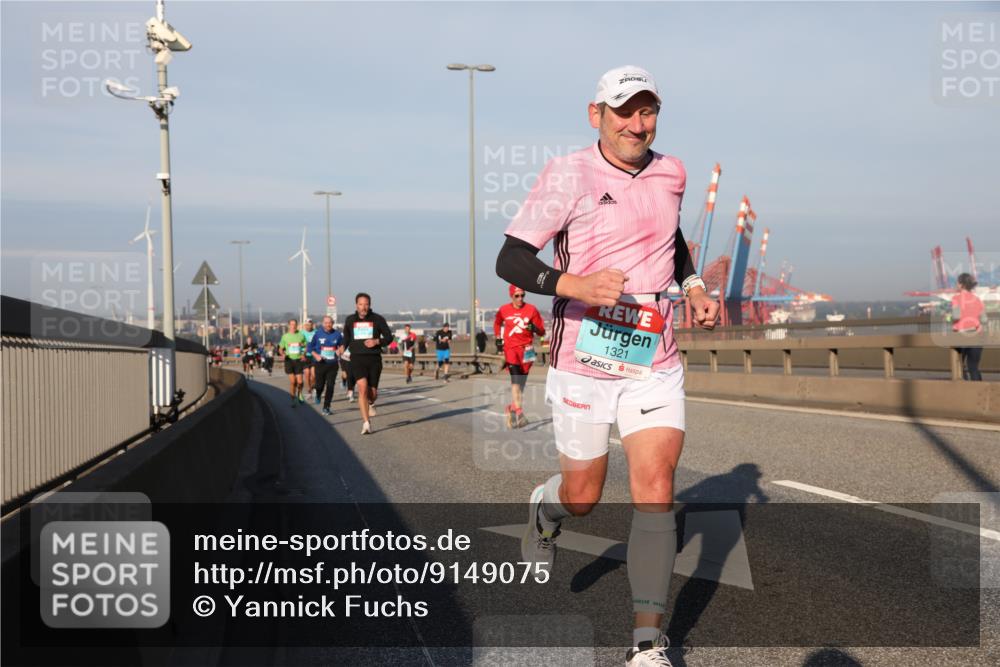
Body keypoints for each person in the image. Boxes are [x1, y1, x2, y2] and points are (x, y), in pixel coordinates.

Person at [495, 65, 720, 666]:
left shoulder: (671, 172)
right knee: (584, 495)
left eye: (648, 111)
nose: (637, 124)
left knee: (655, 491)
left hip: (654, 357)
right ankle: (546, 509)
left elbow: (671, 243)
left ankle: (647, 645)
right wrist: (576, 284)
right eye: (625, 111)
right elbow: (511, 259)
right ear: (596, 114)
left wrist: (694, 285)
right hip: (582, 358)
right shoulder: (568, 173)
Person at [495, 285, 547, 429]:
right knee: (516, 380)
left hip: (527, 350)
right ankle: (519, 412)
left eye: (522, 295)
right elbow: (497, 323)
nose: (520, 299)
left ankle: (511, 408)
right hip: (511, 349)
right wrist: (498, 341)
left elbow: (542, 332)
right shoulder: (504, 309)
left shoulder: (531, 309)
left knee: (521, 384)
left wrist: (534, 328)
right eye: (517, 296)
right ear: (511, 296)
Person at [342, 293, 393, 434]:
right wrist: (341, 347)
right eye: (360, 304)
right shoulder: (350, 320)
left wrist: (377, 341)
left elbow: (389, 337)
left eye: (366, 304)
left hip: (374, 359)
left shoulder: (377, 319)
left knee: (372, 393)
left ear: (369, 305)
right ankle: (366, 423)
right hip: (357, 359)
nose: (363, 307)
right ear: (356, 305)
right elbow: (346, 338)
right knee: (362, 388)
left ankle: (371, 402)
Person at [952, 272, 985, 381]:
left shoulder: (956, 298)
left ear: (961, 285)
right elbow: (984, 319)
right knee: (974, 367)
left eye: (957, 283)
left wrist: (948, 318)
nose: (956, 285)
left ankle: (964, 392)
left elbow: (956, 316)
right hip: (976, 335)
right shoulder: (977, 299)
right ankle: (979, 392)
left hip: (961, 335)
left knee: (959, 367)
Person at [309, 315, 344, 415]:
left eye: (330, 323)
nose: (328, 324)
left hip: (332, 364)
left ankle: (326, 407)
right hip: (320, 364)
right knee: (319, 385)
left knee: (330, 385)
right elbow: (310, 348)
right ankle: (318, 394)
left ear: (332, 323)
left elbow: (342, 345)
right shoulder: (317, 334)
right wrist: (316, 356)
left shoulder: (337, 334)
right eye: (326, 323)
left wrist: (339, 350)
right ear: (323, 323)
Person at [278, 319, 308, 407]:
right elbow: (280, 348)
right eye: (291, 324)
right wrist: (282, 354)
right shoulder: (285, 336)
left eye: (295, 324)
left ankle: (299, 393)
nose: (293, 326)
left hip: (298, 360)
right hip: (289, 360)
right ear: (289, 325)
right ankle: (292, 399)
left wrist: (304, 354)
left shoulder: (301, 335)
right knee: (293, 382)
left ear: (297, 325)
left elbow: (306, 346)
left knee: (300, 381)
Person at [302, 319, 318, 403]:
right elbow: (299, 343)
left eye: (310, 325)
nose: (308, 326)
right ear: (305, 325)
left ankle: (313, 388)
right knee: (307, 374)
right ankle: (309, 390)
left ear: (312, 325)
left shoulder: (316, 332)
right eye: (307, 325)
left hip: (314, 355)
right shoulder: (302, 333)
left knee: (313, 376)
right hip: (305, 356)